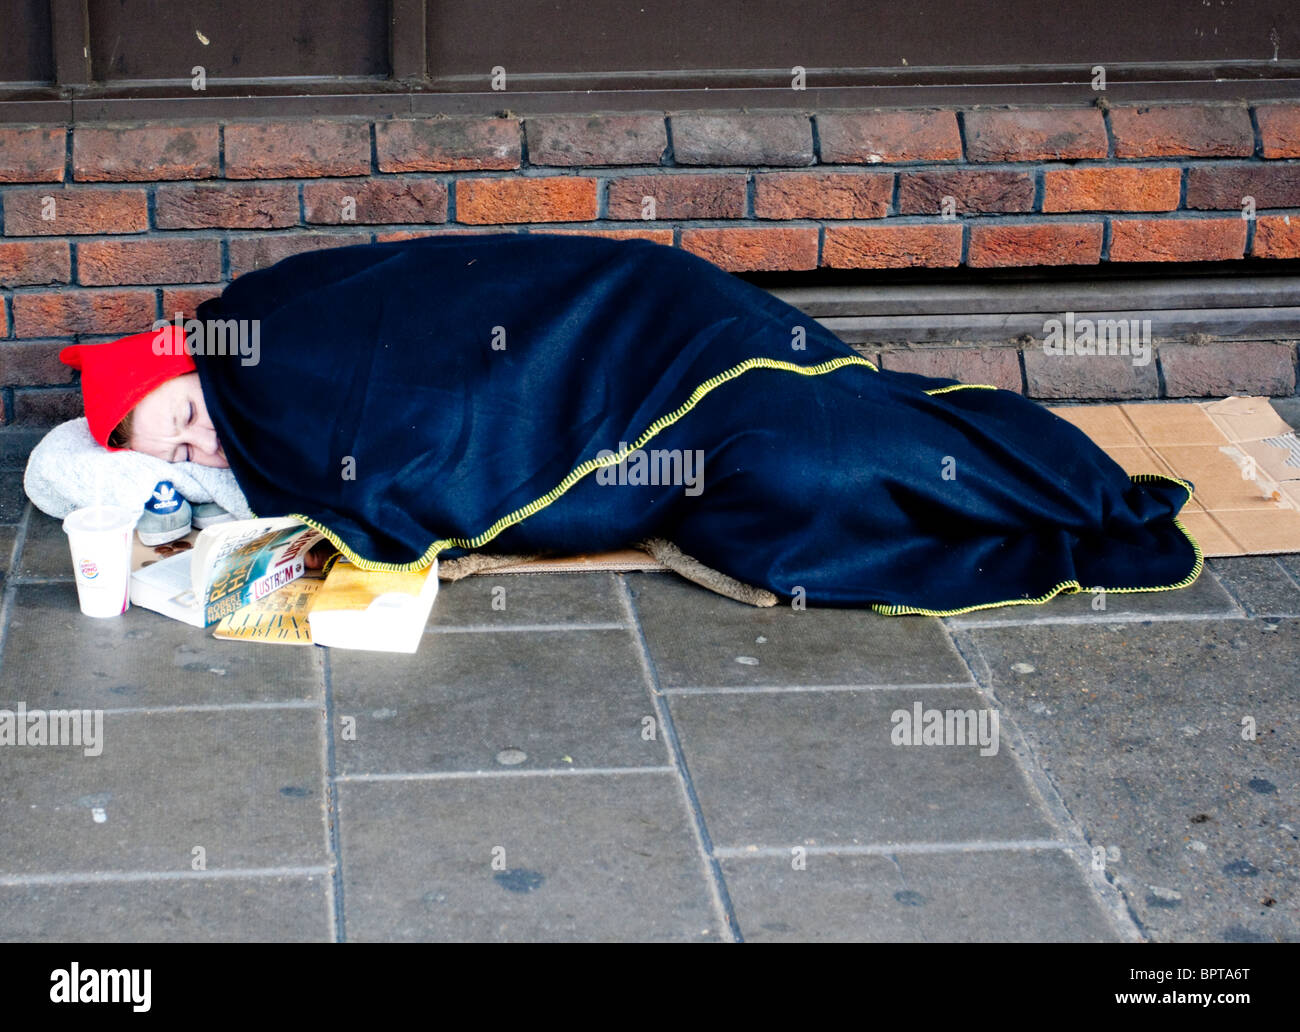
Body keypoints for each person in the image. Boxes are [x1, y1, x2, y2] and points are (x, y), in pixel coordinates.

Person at [58, 232, 1201, 615]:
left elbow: (425, 377)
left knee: (816, 435)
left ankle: (1069, 490)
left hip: (642, 335)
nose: (209, 453)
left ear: (187, 358)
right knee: (785, 485)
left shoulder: (265, 332)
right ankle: (1030, 494)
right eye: (185, 460)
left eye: (190, 423)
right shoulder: (251, 394)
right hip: (655, 431)